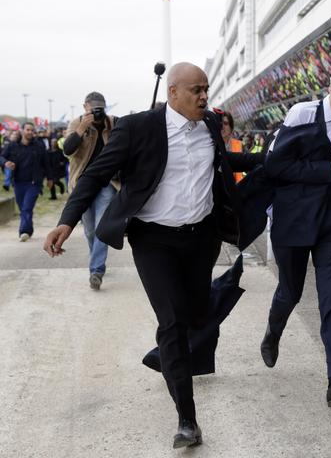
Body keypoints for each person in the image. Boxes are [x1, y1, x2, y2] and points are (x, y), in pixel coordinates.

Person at [44, 62, 262, 449]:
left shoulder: (210, 125)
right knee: (173, 321)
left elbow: (224, 163)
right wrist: (66, 221)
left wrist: (271, 160)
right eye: (196, 90)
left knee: (196, 314)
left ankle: (168, 350)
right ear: (172, 93)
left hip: (200, 239)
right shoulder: (138, 127)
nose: (204, 97)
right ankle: (187, 420)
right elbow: (94, 174)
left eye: (206, 89)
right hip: (154, 241)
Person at [260, 58, 331, 407]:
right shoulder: (300, 114)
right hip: (293, 220)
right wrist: (327, 169)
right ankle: (273, 331)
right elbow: (275, 165)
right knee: (290, 291)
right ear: (330, 89)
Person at [64, 92, 120, 290]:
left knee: (100, 228)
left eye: (101, 108)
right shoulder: (76, 123)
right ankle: (96, 259)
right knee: (89, 230)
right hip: (83, 184)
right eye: (93, 108)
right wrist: (81, 129)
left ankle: (96, 270)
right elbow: (67, 150)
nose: (97, 112)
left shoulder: (112, 123)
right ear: (85, 107)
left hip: (107, 183)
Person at [0, 122, 52, 241]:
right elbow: (2, 157)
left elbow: (46, 163)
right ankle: (29, 228)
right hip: (18, 182)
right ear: (22, 130)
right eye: (28, 130)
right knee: (23, 207)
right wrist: (5, 163)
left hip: (34, 183)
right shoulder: (13, 145)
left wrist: (50, 178)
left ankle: (24, 231)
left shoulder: (39, 146)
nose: (30, 132)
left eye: (32, 130)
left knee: (27, 207)